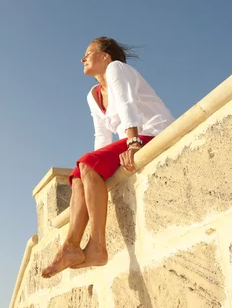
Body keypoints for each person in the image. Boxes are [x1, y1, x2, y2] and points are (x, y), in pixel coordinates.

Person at [41, 37, 174, 278]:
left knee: (87, 164)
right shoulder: (92, 95)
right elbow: (101, 136)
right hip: (133, 138)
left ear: (105, 56)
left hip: (151, 132)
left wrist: (133, 143)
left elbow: (126, 105)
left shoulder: (117, 69)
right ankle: (71, 245)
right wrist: (91, 166)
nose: (83, 58)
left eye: (89, 53)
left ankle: (97, 247)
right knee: (80, 172)